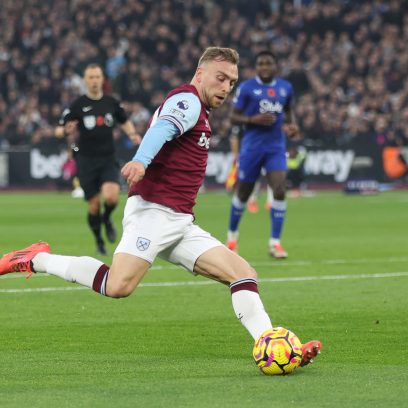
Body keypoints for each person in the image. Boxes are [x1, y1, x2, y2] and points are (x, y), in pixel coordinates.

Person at [0, 47, 320, 368]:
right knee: (118, 285)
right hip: (153, 212)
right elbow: (162, 129)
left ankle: (275, 348)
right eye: (220, 78)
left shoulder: (200, 109)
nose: (226, 87)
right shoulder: (187, 100)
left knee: (243, 273)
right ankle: (35, 259)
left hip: (179, 221)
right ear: (200, 74)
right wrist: (141, 160)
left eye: (232, 82)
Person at [55, 63, 141, 255]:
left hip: (107, 158)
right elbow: (58, 130)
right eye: (91, 77)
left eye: (97, 77)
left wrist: (132, 134)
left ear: (102, 79)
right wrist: (65, 131)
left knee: (111, 198)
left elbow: (124, 120)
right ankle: (99, 241)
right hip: (86, 160)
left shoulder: (111, 102)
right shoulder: (77, 105)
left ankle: (107, 218)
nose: (94, 80)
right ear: (85, 80)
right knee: (94, 205)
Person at [226, 50, 300, 258]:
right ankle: (232, 239)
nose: (264, 67)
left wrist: (292, 126)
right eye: (261, 64)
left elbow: (289, 111)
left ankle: (275, 243)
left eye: (268, 63)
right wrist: (253, 120)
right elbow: (233, 117)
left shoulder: (285, 88)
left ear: (276, 66)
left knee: (279, 189)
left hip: (275, 147)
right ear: (256, 67)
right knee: (243, 193)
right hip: (252, 148)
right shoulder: (247, 88)